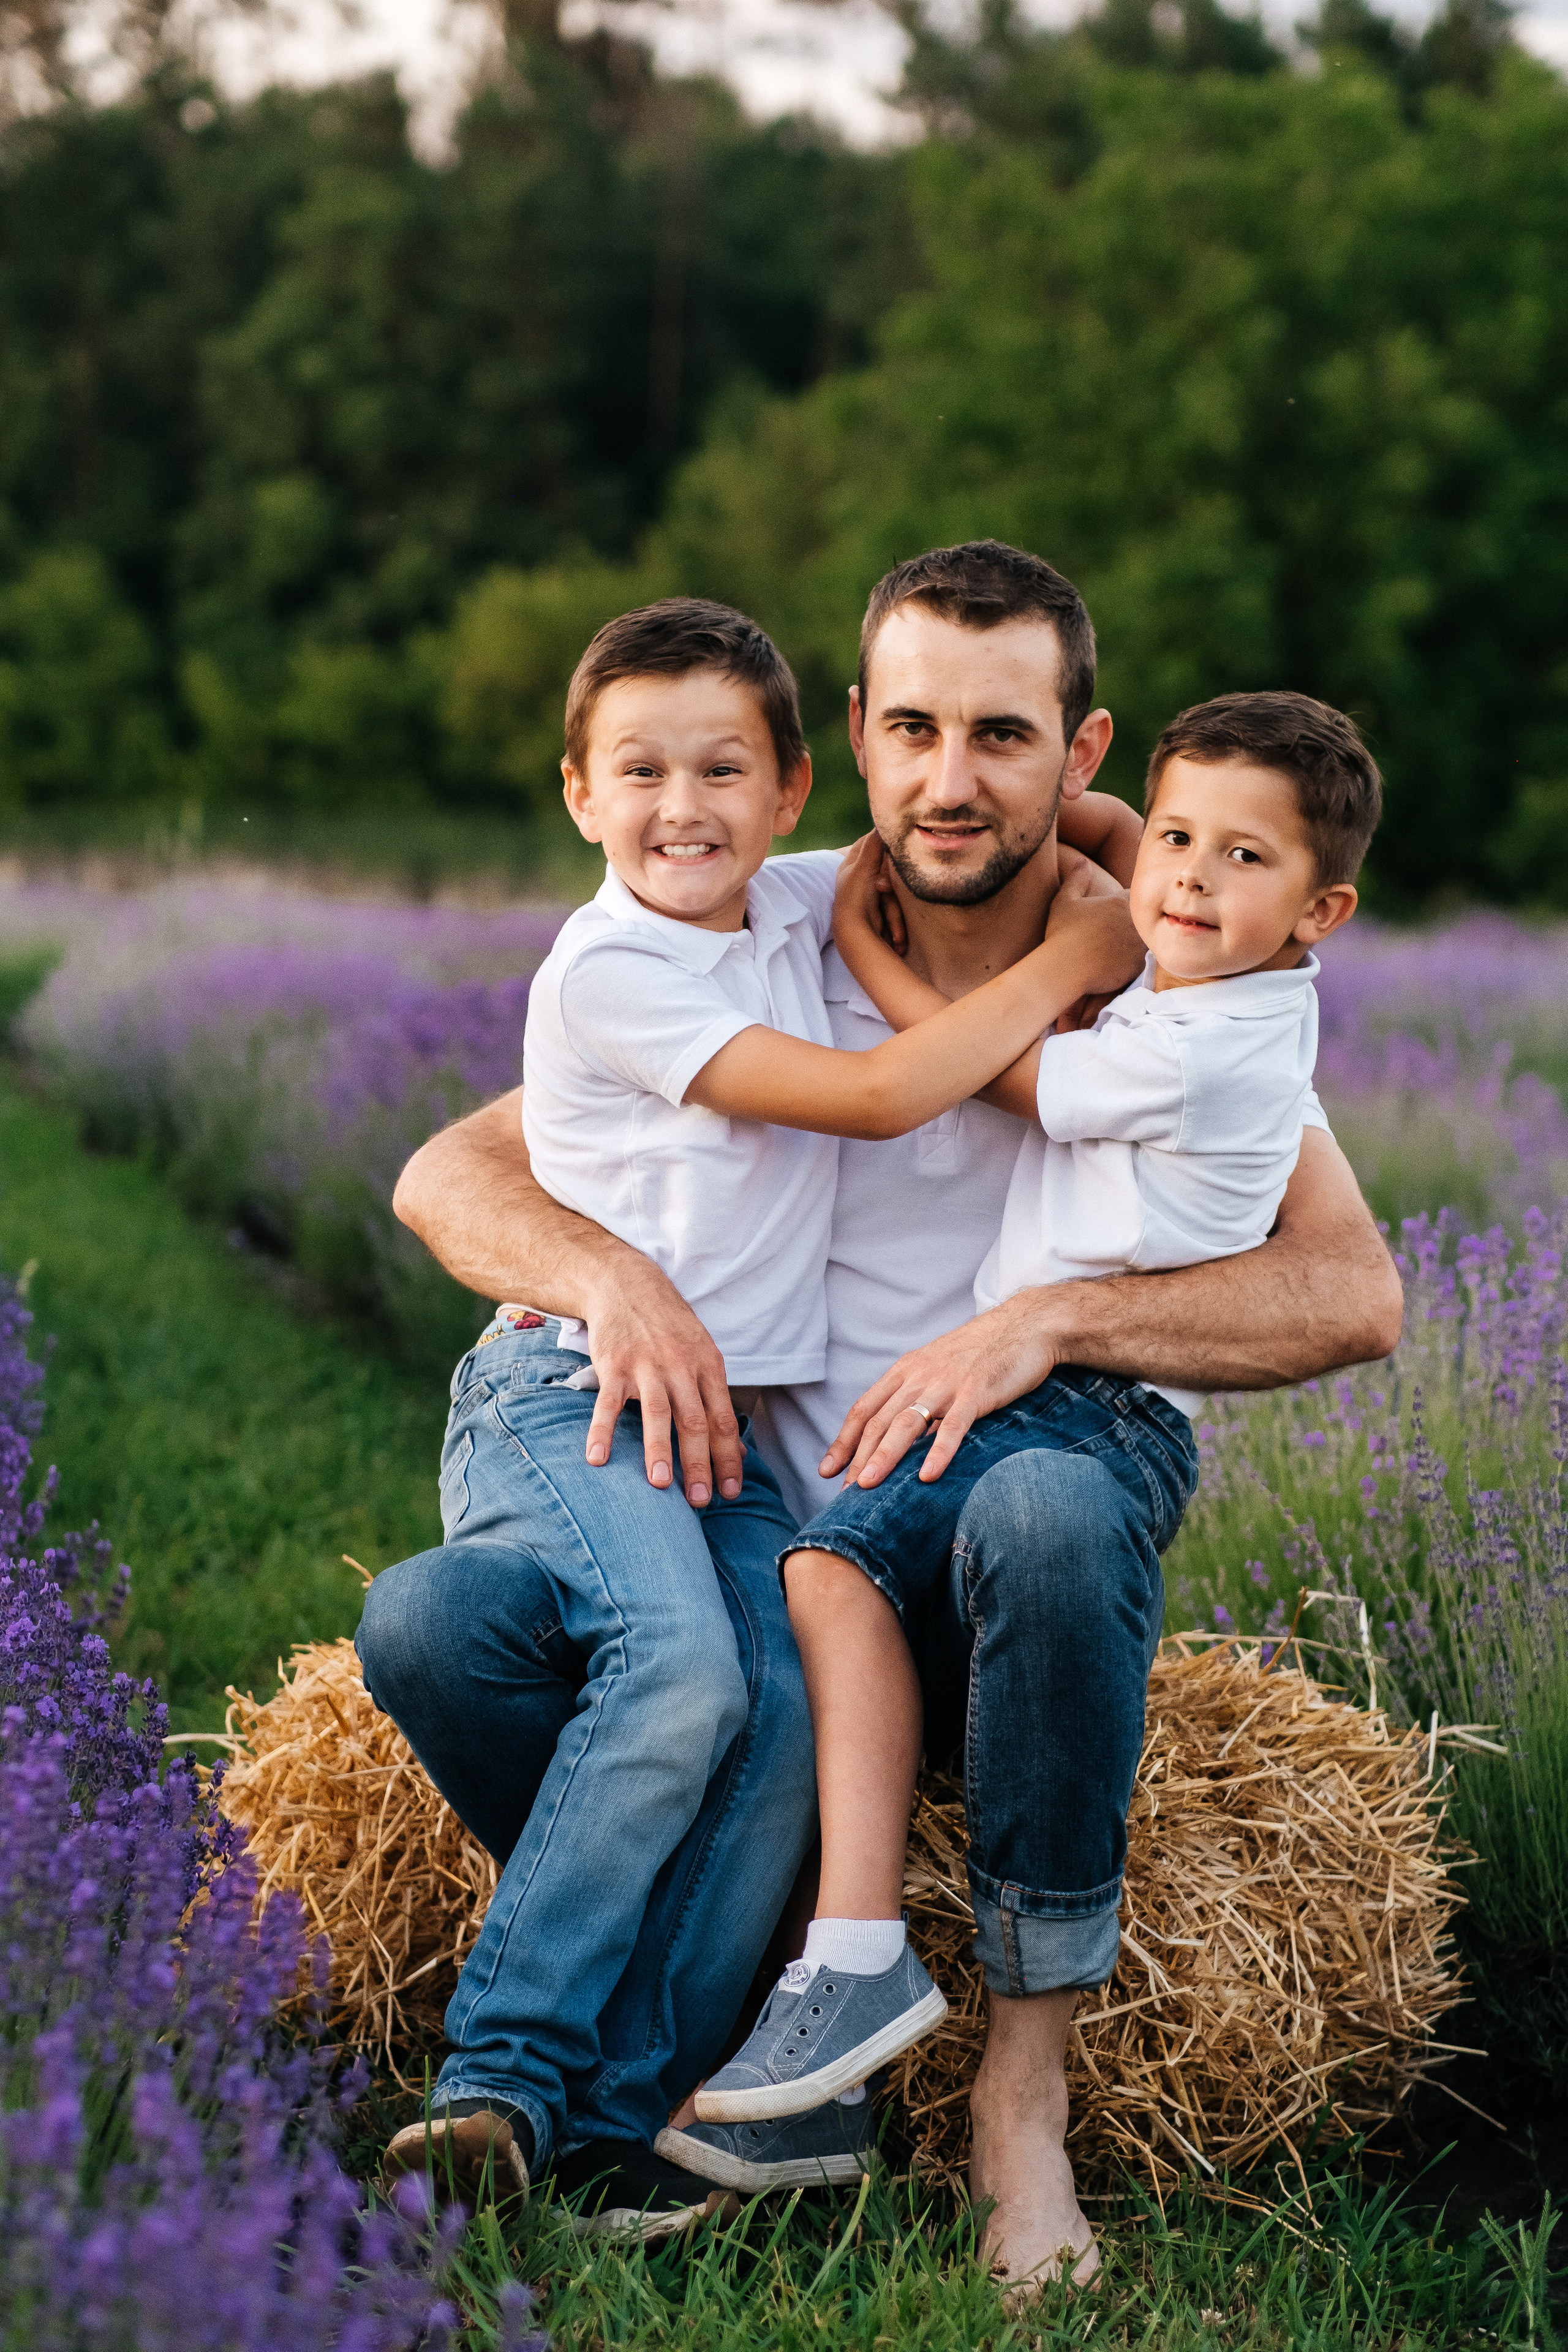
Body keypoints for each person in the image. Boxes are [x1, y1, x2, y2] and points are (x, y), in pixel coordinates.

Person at [372, 541, 1404, 2283]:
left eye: (1002, 736)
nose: (948, 779)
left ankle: (1020, 2102)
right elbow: (453, 1169)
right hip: (761, 1561)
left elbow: (1354, 1291)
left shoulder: (1168, 982)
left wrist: (1058, 1320)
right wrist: (606, 1279)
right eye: (912, 727)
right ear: (849, 734)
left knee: (1048, 1507)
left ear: (1086, 762)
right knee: (435, 1618)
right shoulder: (750, 918)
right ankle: (694, 2015)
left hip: (979, 1564)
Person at [694, 689, 1379, 2134]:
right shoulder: (1198, 965)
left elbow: (1001, 1080)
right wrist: (1079, 825)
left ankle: (890, 1980)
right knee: (823, 1572)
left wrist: (875, 945)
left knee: (853, 1562)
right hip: (1042, 1410)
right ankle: (840, 1963)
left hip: (1084, 1417)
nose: (1186, 875)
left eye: (1238, 860)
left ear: (1321, 911)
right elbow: (1139, 836)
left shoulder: (1203, 1039)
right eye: (1176, 839)